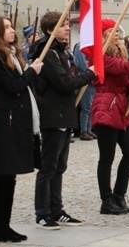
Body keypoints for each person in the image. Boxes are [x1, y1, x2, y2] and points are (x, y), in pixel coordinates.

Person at [0, 16, 43, 242]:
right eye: (6, 28)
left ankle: (5, 225)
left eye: (11, 27)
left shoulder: (12, 56)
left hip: (13, 123)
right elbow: (13, 86)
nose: (12, 31)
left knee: (10, 176)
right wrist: (32, 72)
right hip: (1, 124)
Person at [30, 12, 97, 229]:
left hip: (64, 114)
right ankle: (42, 213)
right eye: (63, 26)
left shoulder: (60, 52)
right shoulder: (48, 53)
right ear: (50, 31)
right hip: (53, 115)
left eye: (68, 25)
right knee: (48, 166)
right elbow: (65, 83)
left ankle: (56, 210)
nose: (68, 29)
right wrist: (90, 74)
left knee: (60, 166)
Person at [91, 19, 129, 215]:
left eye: (117, 31)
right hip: (106, 106)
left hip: (120, 108)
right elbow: (122, 69)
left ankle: (119, 195)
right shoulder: (100, 56)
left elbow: (125, 80)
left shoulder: (120, 54)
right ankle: (106, 199)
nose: (116, 34)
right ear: (103, 36)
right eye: (111, 31)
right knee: (107, 157)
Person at [72, 42, 96, 141]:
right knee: (86, 107)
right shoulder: (80, 46)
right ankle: (83, 131)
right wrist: (90, 73)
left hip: (92, 79)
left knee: (91, 106)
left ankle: (89, 129)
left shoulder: (92, 44)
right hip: (85, 78)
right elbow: (81, 64)